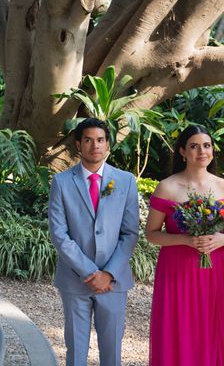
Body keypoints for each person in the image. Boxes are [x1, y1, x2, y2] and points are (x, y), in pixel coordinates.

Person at [48, 118, 139, 366]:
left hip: (114, 281)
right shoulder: (62, 182)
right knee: (76, 351)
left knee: (112, 352)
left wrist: (108, 273)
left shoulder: (125, 181)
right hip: (75, 279)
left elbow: (130, 233)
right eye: (88, 140)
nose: (95, 145)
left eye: (100, 140)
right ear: (79, 144)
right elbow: (59, 234)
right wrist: (90, 272)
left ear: (108, 145)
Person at [145, 125, 224, 365]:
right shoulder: (167, 187)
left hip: (217, 268)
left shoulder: (223, 185)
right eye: (194, 146)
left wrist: (222, 238)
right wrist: (185, 239)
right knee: (179, 327)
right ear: (182, 151)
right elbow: (151, 234)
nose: (202, 151)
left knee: (214, 328)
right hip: (178, 270)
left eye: (207, 145)